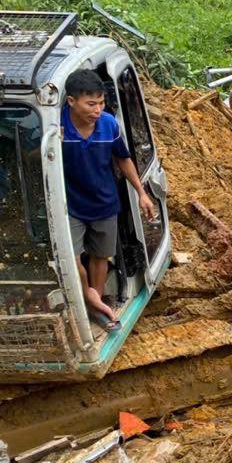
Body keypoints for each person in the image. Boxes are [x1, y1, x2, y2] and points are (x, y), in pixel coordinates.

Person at [61, 69, 157, 331]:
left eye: (101, 103)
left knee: (101, 256)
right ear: (71, 102)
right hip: (70, 206)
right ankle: (89, 298)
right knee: (73, 256)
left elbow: (123, 159)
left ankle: (96, 302)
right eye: (91, 104)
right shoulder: (57, 128)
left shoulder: (109, 124)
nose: (97, 109)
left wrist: (142, 192)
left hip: (104, 203)